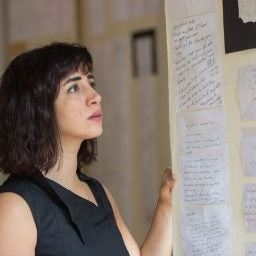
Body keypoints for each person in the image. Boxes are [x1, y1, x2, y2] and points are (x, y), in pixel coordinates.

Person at [0, 42, 176, 256]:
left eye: (90, 82)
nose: (95, 96)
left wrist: (166, 204)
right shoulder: (14, 207)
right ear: (37, 108)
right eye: (74, 88)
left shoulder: (98, 193)